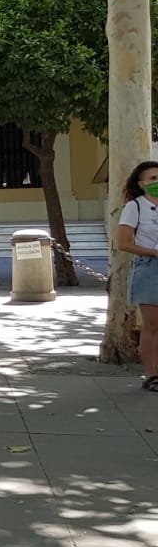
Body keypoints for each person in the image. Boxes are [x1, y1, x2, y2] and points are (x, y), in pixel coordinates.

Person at [117, 161, 158, 392]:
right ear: (142, 184)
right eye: (153, 179)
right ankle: (152, 374)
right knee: (153, 325)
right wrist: (153, 251)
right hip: (149, 266)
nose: (157, 182)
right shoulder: (135, 207)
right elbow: (124, 243)